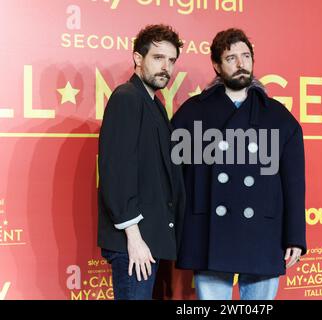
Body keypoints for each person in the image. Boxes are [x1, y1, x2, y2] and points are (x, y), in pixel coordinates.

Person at [171, 28, 306, 300]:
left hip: (263, 232)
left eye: (246, 56)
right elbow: (174, 177)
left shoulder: (278, 116)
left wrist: (294, 237)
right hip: (209, 229)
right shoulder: (193, 111)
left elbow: (293, 183)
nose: (241, 63)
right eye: (231, 58)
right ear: (216, 65)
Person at [97, 24, 185, 300]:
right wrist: (134, 239)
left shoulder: (154, 105)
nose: (166, 67)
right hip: (133, 244)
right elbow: (117, 173)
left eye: (171, 61)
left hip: (149, 241)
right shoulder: (126, 98)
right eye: (158, 58)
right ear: (138, 58)